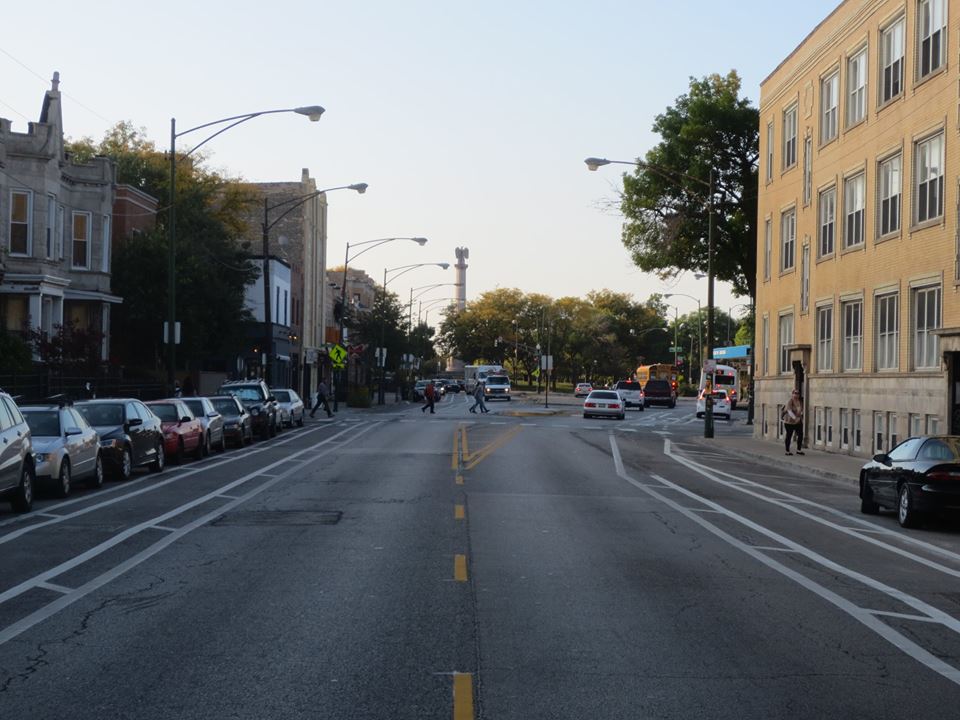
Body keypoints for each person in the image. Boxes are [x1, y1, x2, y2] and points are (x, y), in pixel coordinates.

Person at [782, 389, 805, 455]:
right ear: (792, 394)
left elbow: (801, 410)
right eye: (795, 393)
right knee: (789, 435)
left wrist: (801, 415)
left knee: (800, 435)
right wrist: (795, 418)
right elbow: (789, 411)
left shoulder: (800, 401)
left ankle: (799, 450)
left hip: (798, 421)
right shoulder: (790, 401)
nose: (796, 395)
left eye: (797, 393)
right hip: (789, 422)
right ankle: (787, 451)